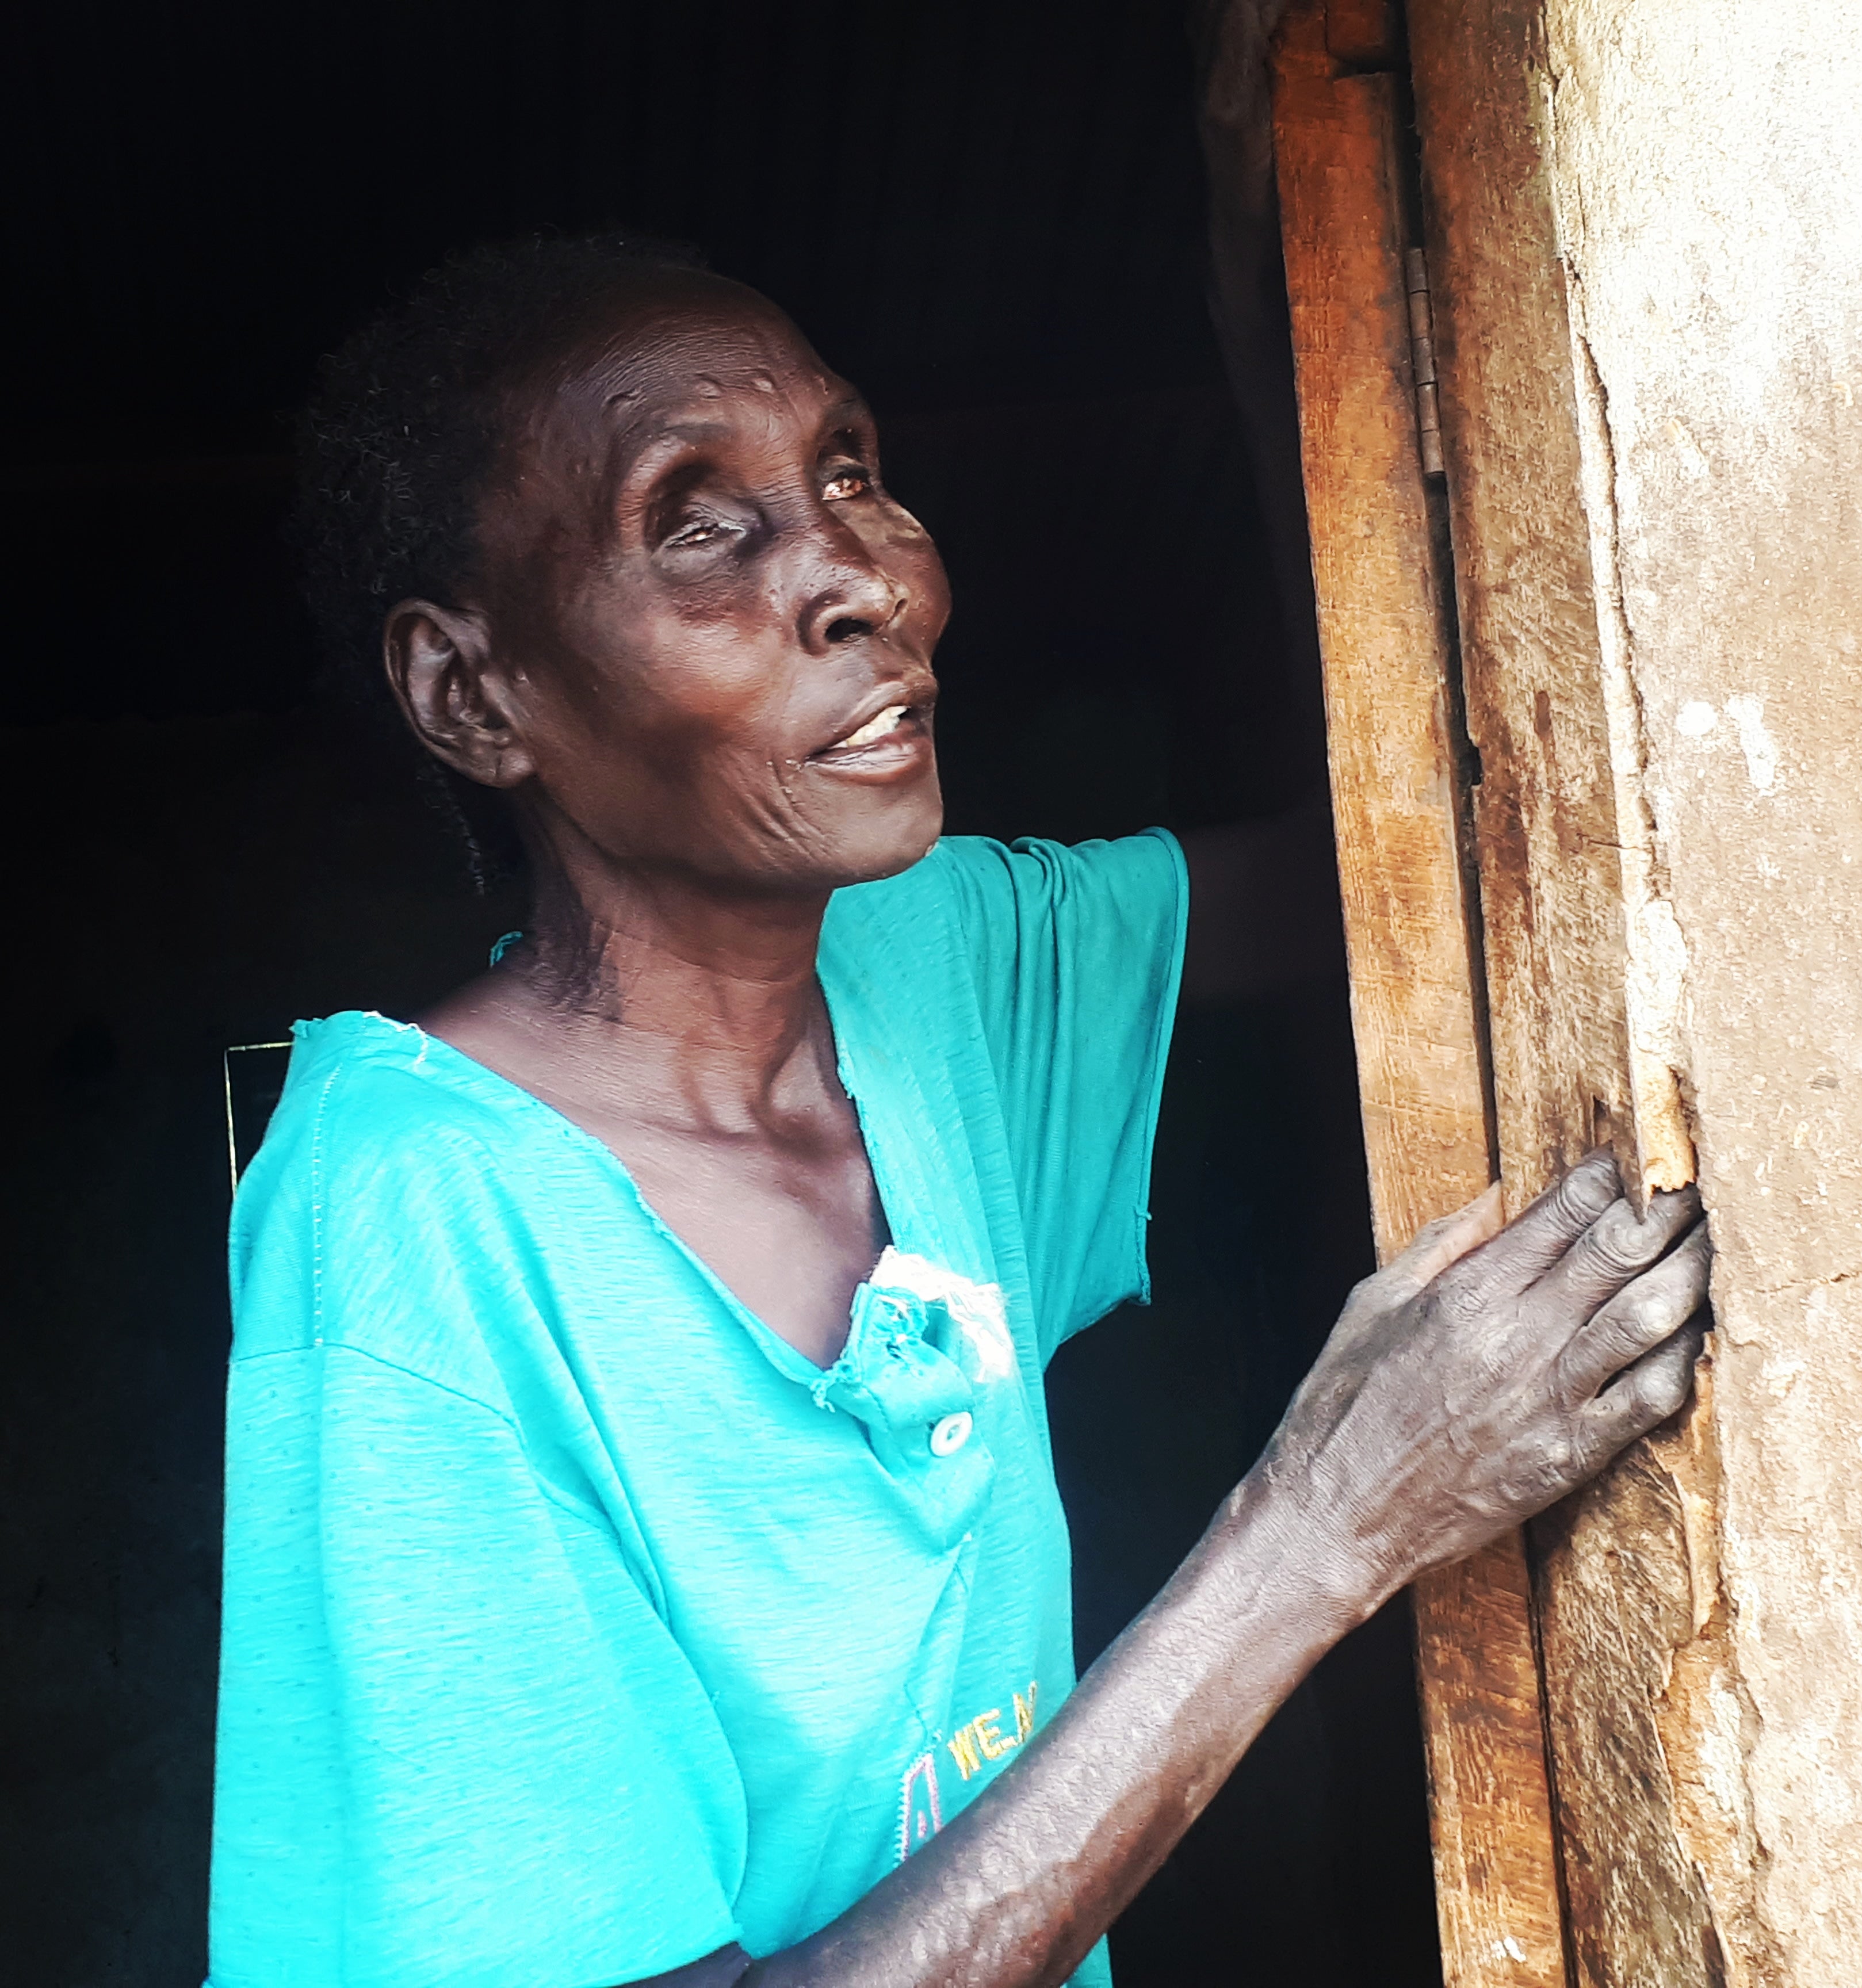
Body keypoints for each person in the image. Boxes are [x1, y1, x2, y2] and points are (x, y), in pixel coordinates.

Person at [210, 235, 1712, 1988]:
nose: (868, 581)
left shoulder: (923, 966)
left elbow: (1401, 883)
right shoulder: (409, 1222)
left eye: (849, 472)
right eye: (701, 522)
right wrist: (1322, 1527)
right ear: (476, 696)